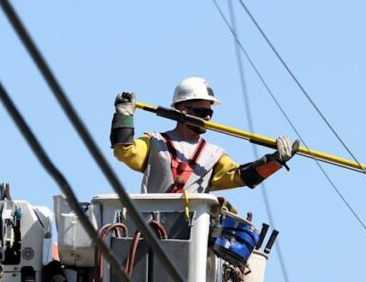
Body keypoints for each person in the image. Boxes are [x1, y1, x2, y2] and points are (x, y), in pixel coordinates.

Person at [110, 76, 294, 194]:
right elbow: (124, 151)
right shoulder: (155, 142)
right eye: (200, 112)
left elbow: (241, 176)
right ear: (181, 110)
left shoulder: (214, 155)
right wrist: (124, 115)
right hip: (152, 228)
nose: (206, 117)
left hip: (193, 235)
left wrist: (275, 160)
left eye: (209, 112)